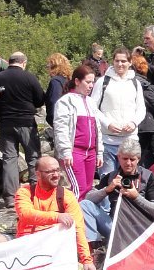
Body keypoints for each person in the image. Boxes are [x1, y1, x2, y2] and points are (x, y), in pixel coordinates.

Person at [81, 137, 154, 270]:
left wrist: (136, 197)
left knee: (124, 238)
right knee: (85, 205)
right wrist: (107, 189)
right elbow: (89, 199)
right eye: (125, 159)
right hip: (114, 226)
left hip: (138, 231)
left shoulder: (150, 178)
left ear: (138, 159)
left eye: (132, 159)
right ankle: (94, 250)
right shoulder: (111, 176)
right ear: (118, 158)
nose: (128, 163)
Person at [0, 156, 101, 270]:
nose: (56, 175)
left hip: (52, 247)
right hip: (25, 243)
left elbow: (78, 229)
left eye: (58, 170)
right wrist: (56, 217)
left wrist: (87, 260)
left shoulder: (67, 196)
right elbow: (25, 214)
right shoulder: (25, 192)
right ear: (38, 174)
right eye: (50, 172)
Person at [0, 51, 46, 207]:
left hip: (5, 122)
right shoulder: (29, 77)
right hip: (26, 122)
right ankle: (37, 194)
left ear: (9, 62)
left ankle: (10, 197)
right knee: (33, 158)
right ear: (24, 62)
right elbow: (40, 99)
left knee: (9, 159)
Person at [91, 47, 146, 176]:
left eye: (123, 61)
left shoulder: (135, 83)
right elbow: (93, 107)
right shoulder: (102, 82)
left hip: (130, 140)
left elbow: (141, 108)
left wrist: (133, 123)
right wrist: (107, 123)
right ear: (113, 62)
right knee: (108, 179)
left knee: (130, 179)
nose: (120, 64)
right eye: (117, 61)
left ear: (130, 62)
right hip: (107, 141)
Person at [54, 64, 103, 196]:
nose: (91, 86)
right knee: (78, 189)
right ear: (77, 81)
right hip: (75, 152)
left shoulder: (91, 102)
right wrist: (65, 152)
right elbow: (61, 129)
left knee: (88, 189)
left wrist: (99, 153)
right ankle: (74, 216)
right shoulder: (65, 101)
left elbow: (97, 128)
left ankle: (86, 216)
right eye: (88, 82)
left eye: (92, 82)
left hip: (91, 152)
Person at [131, 49, 154, 164]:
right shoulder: (143, 85)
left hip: (130, 126)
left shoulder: (126, 82)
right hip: (145, 127)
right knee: (145, 162)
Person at [44, 53, 72, 130]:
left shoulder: (55, 81)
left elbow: (54, 102)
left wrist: (53, 121)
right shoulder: (68, 81)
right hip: (68, 119)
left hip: (59, 122)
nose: (47, 68)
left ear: (54, 66)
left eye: (48, 66)